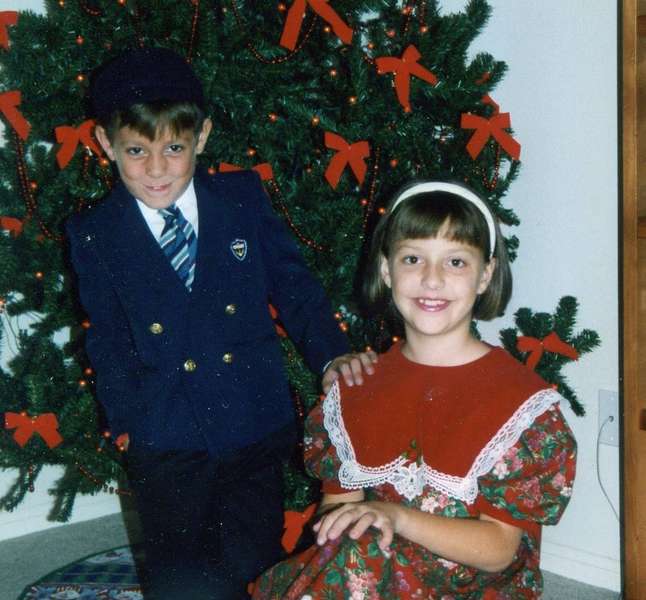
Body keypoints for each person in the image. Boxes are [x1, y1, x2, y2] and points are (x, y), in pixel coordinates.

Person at [65, 46, 376, 600]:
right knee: (182, 577)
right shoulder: (95, 233)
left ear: (202, 137)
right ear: (105, 143)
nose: (156, 169)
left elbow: (293, 285)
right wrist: (126, 421)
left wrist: (331, 354)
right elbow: (106, 336)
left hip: (251, 417)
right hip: (165, 431)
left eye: (174, 148)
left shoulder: (241, 199)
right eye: (136, 151)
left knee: (253, 562)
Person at [252, 181, 577, 599]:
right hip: (369, 572)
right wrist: (355, 523)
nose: (432, 279)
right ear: (387, 270)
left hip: (471, 585)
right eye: (412, 259)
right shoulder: (357, 387)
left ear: (485, 275)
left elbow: (499, 550)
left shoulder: (519, 401)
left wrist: (396, 517)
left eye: (455, 262)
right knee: (347, 558)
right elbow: (337, 513)